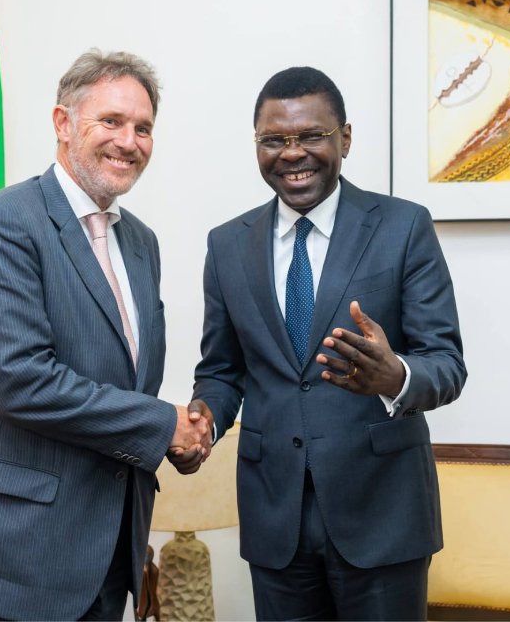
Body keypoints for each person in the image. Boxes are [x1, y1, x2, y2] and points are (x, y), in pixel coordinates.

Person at [0, 49, 212, 621]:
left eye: (143, 127)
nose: (129, 141)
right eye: (111, 121)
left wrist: (179, 437)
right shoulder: (3, 222)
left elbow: (125, 376)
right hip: (13, 554)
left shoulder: (141, 242)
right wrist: (162, 425)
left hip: (105, 554)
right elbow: (22, 382)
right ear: (62, 123)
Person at [179, 67, 467, 620]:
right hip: (275, 516)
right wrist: (204, 421)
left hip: (382, 513)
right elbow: (222, 369)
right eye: (274, 140)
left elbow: (447, 364)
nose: (293, 154)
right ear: (257, 145)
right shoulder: (227, 245)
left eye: (311, 136)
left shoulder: (404, 227)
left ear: (345, 139)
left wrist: (396, 377)